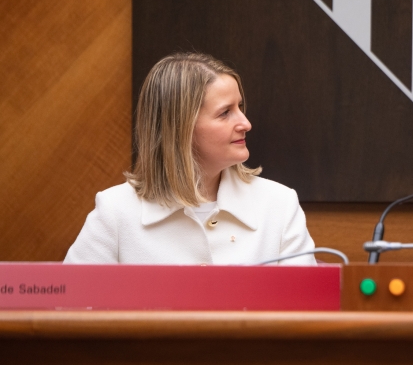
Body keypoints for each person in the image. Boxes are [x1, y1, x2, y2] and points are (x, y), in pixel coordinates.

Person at [64, 53, 316, 265]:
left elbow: (308, 311)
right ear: (180, 128)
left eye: (240, 107)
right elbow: (68, 312)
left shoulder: (280, 205)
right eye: (225, 113)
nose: (246, 123)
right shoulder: (115, 211)